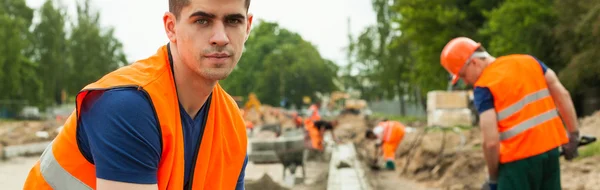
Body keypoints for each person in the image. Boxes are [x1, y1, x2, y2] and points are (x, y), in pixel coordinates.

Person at [23, 0, 253, 189]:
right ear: (171, 27)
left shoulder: (232, 123)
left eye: (233, 21)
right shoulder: (127, 105)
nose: (221, 37)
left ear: (248, 27)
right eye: (202, 20)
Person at [440, 37, 580, 190]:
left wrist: (493, 178)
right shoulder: (530, 62)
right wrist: (573, 135)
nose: (465, 82)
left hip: (516, 163)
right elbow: (562, 95)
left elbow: (491, 142)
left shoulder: (484, 86)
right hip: (550, 154)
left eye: (463, 75)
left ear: (474, 62)